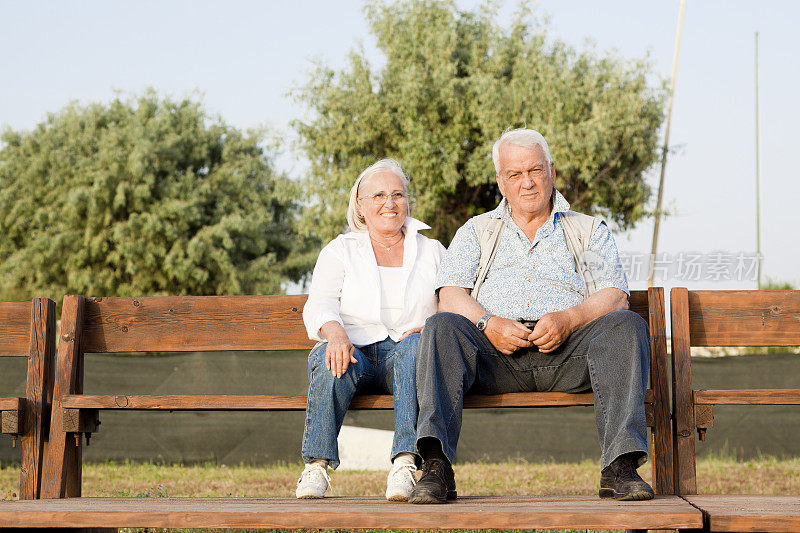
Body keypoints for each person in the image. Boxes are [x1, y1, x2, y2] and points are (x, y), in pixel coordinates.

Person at [408, 128, 653, 504]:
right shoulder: (477, 230)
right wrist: (488, 324)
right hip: (493, 355)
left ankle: (619, 467)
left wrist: (569, 319)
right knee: (441, 326)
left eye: (535, 170)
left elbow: (614, 294)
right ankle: (436, 466)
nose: (527, 182)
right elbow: (451, 295)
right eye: (514, 174)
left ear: (551, 172)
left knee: (628, 323)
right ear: (500, 182)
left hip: (570, 351)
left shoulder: (587, 229)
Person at [298, 158, 446, 501]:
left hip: (407, 354)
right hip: (355, 352)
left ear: (407, 201)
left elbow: (452, 303)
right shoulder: (341, 250)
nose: (389, 203)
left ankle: (405, 465)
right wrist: (335, 334)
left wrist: (428, 328)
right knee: (329, 356)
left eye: (398, 194)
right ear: (360, 206)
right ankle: (316, 467)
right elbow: (320, 303)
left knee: (415, 350)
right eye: (378, 195)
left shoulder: (432, 250)